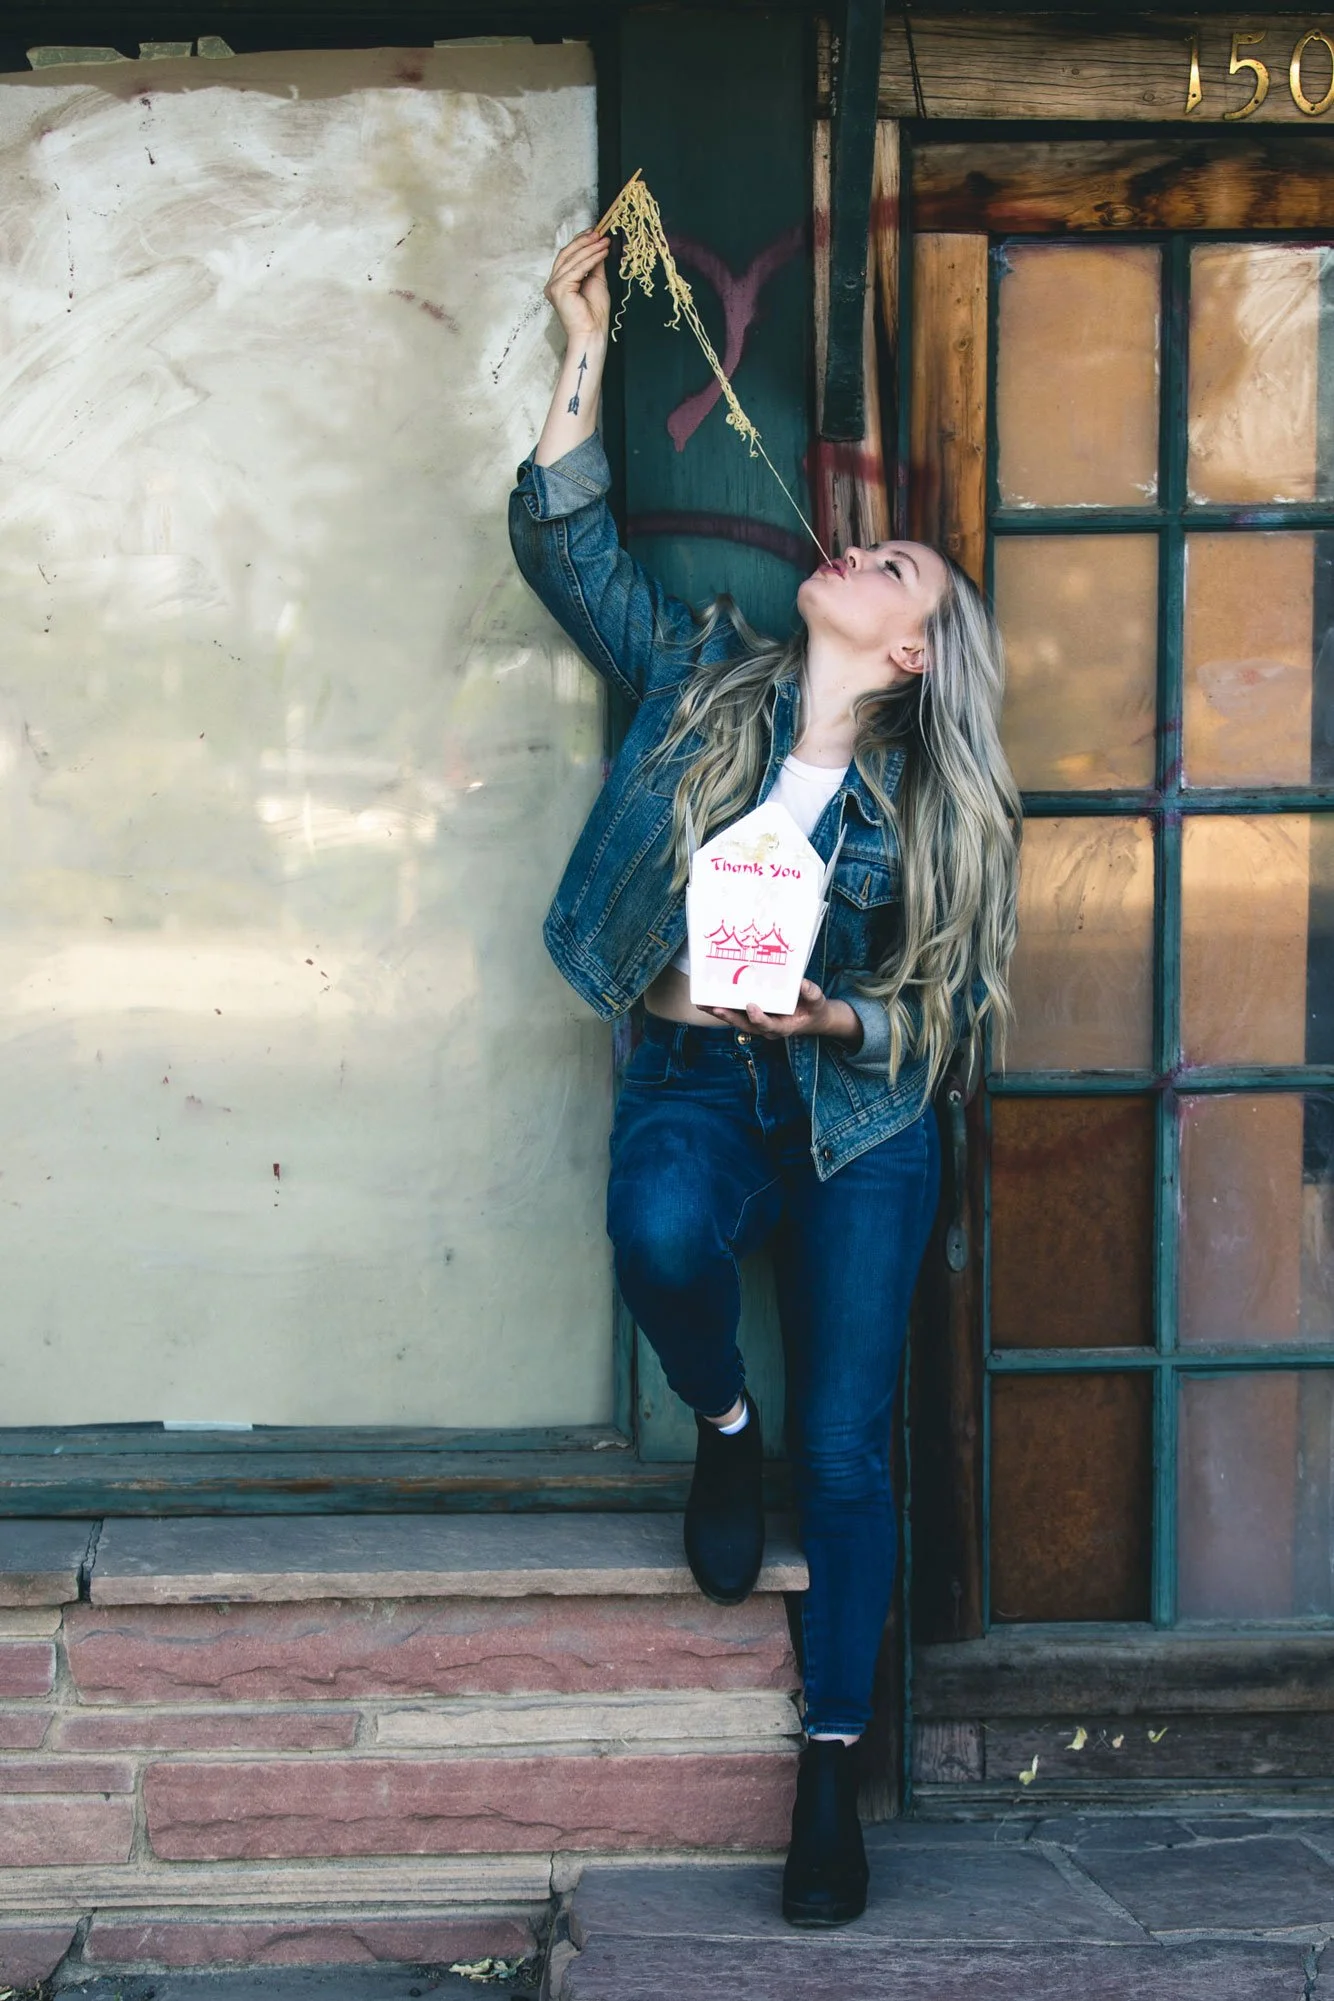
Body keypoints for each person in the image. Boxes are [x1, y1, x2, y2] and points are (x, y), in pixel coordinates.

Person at [508, 227, 1021, 1926]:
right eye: (873, 551)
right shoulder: (699, 681)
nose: (865, 554)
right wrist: (581, 343)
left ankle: (828, 1772)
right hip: (684, 1072)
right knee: (655, 1240)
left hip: (853, 1123)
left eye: (899, 575)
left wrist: (833, 1023)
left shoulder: (938, 816)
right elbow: (564, 549)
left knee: (855, 1453)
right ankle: (723, 1429)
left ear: (906, 659)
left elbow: (946, 1014)